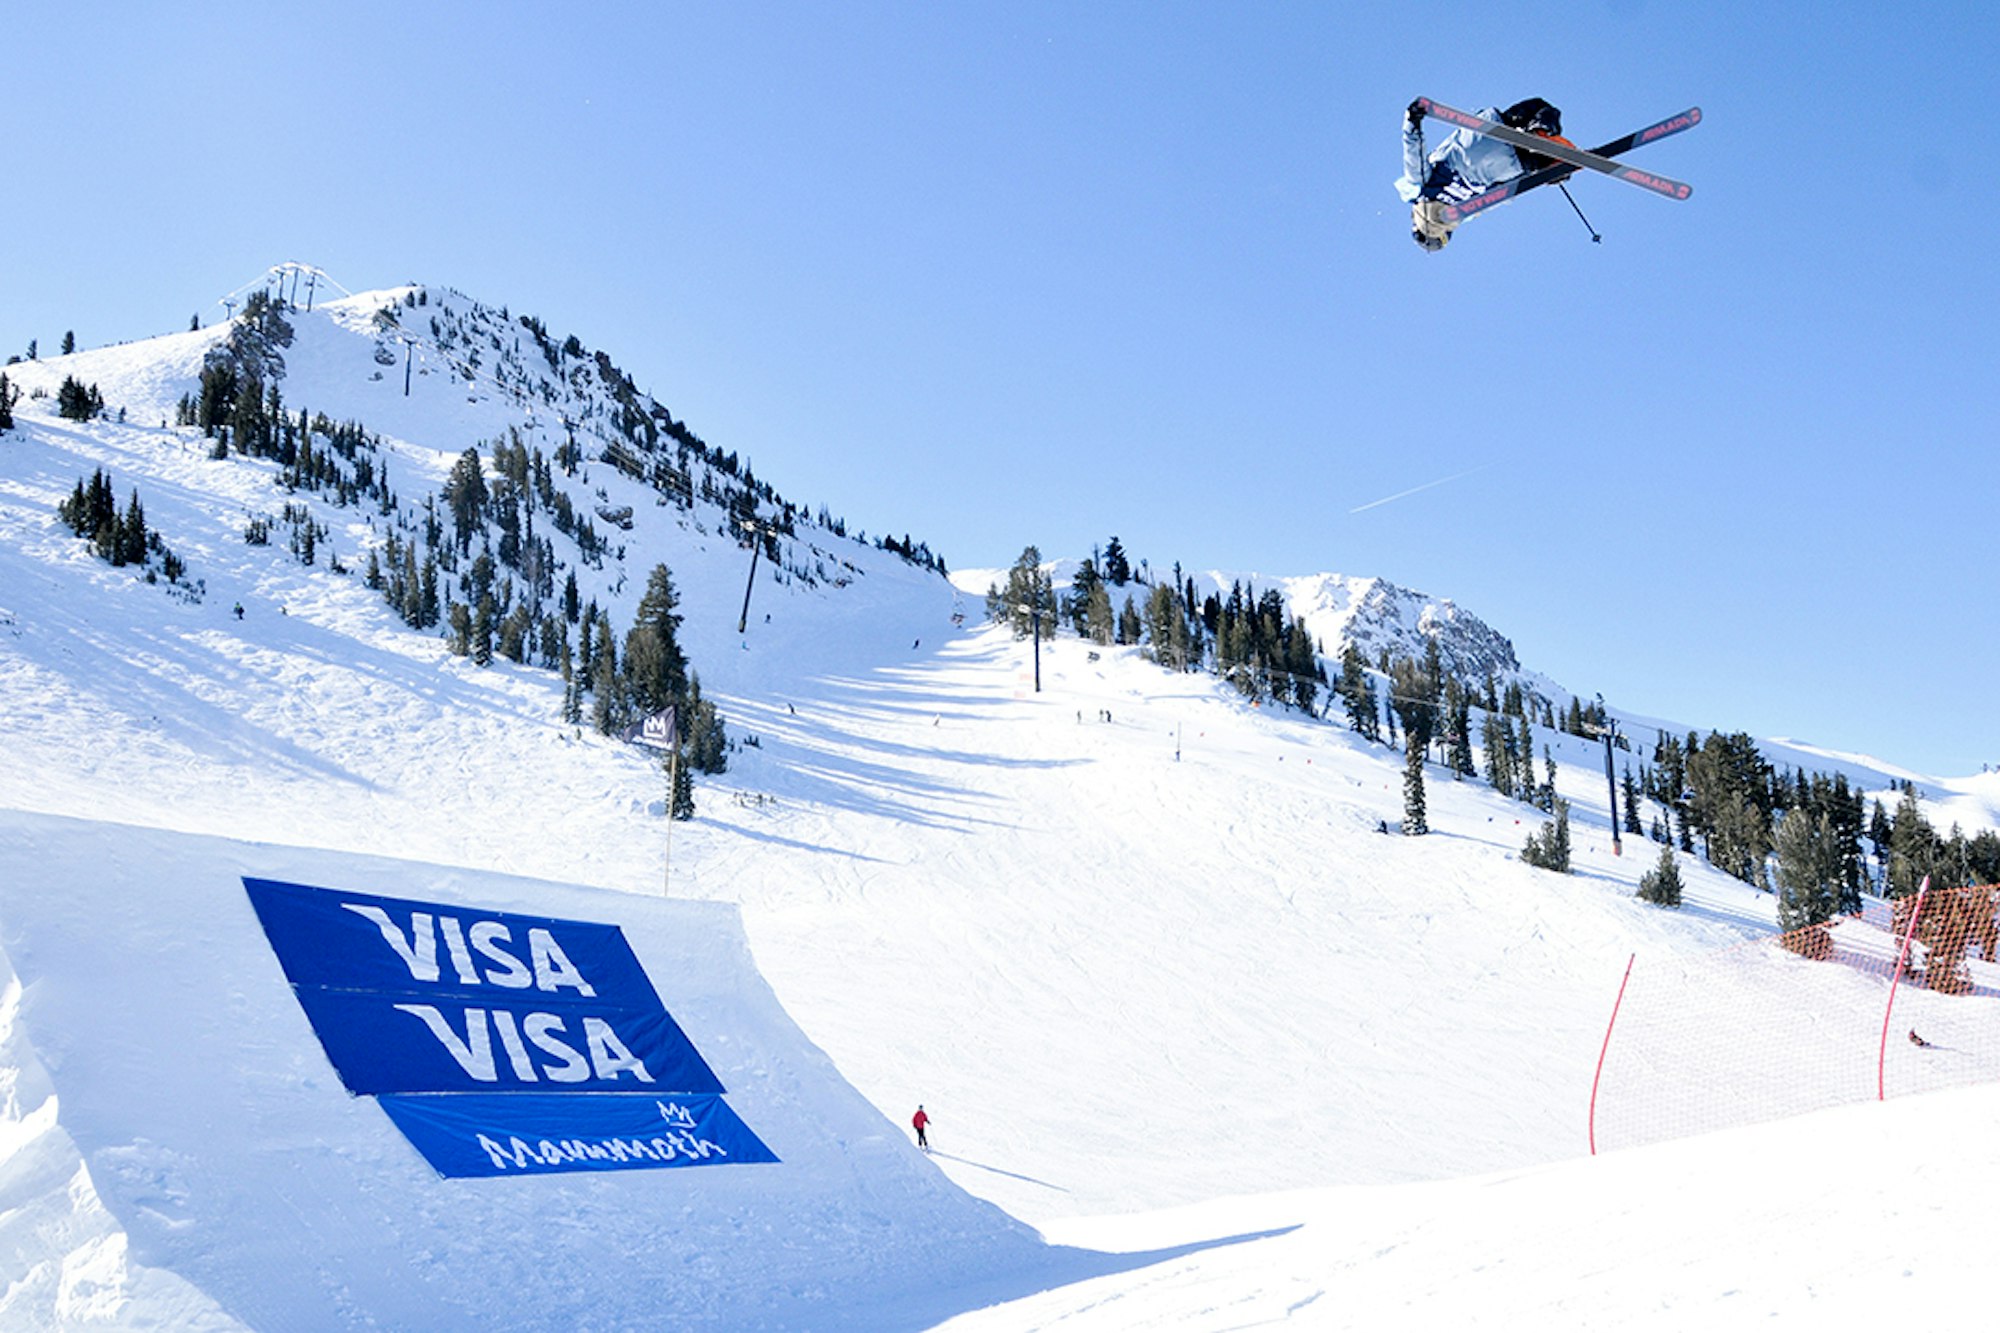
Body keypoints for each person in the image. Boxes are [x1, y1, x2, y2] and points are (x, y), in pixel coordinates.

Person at [1397, 98, 1571, 251]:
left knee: (1535, 156)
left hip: (1509, 166)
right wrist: (1412, 121)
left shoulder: (1462, 214)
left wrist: (1540, 175)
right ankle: (1539, 129)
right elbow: (1414, 156)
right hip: (1482, 140)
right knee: (1538, 106)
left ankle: (1545, 156)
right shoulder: (1420, 189)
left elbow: (1499, 196)